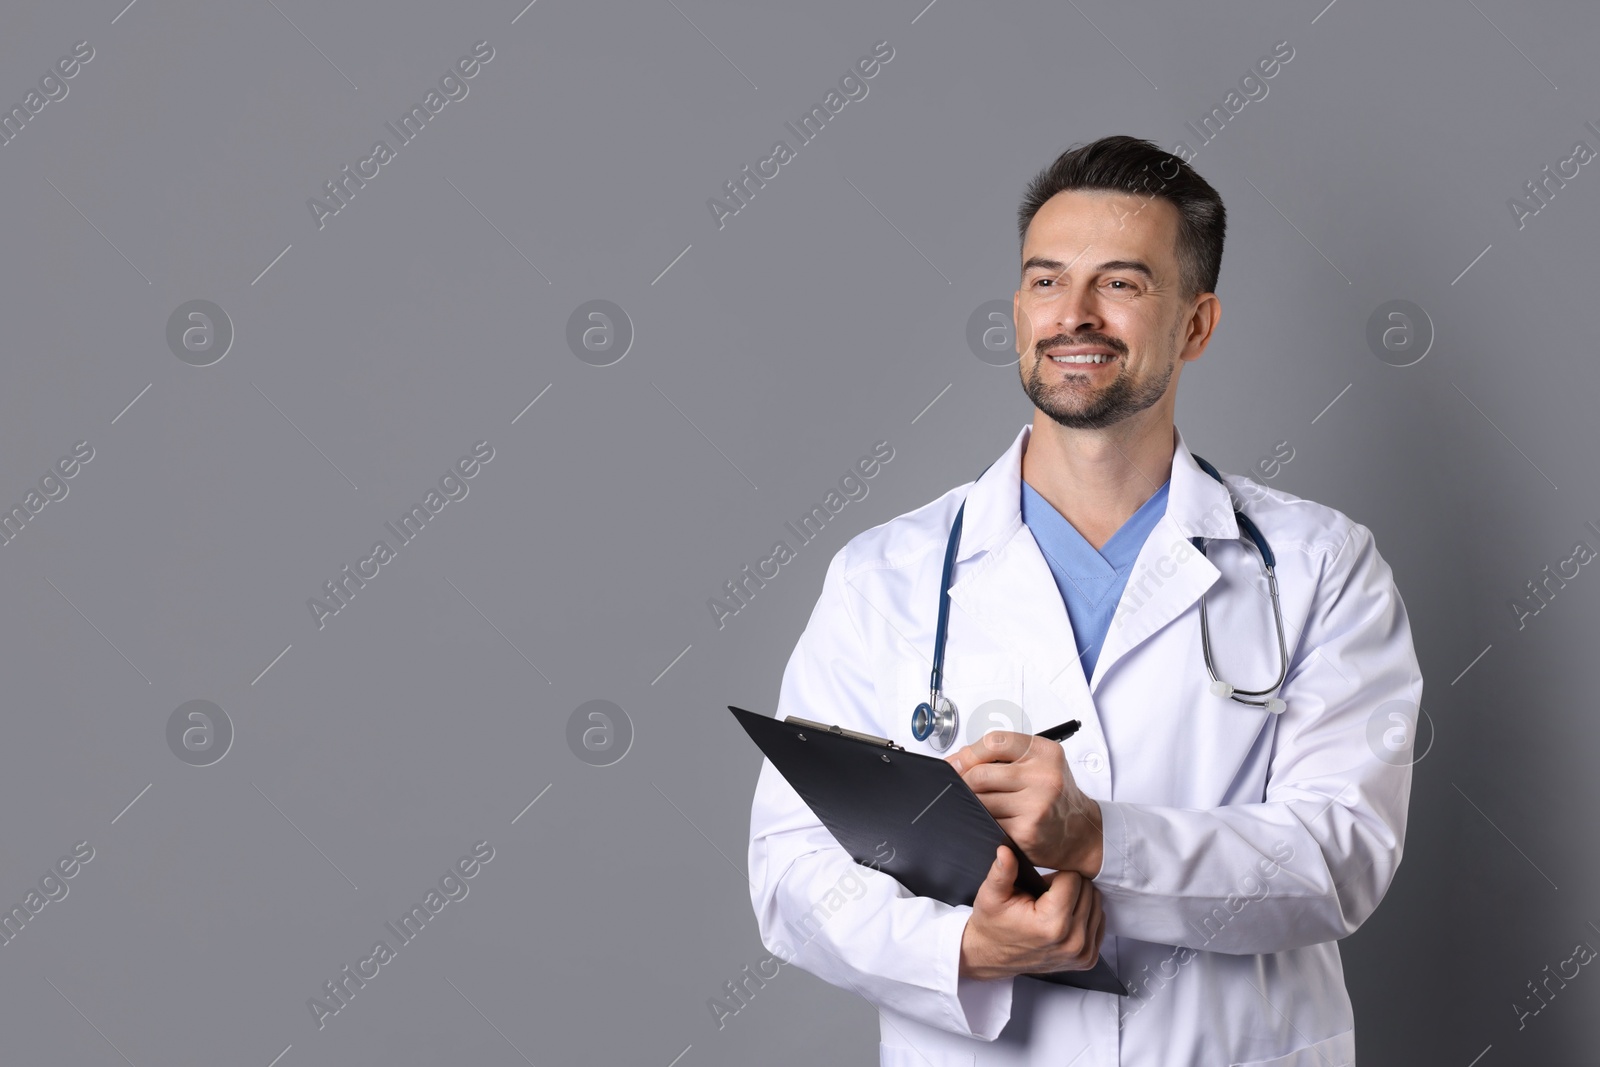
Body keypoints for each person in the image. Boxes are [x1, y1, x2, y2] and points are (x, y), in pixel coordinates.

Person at [745, 135, 1422, 1065]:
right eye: (1046, 280)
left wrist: (1100, 835)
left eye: (1123, 284)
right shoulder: (887, 575)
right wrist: (965, 949)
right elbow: (789, 869)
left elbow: (1341, 857)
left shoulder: (1318, 565)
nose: (1075, 316)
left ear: (1195, 323)